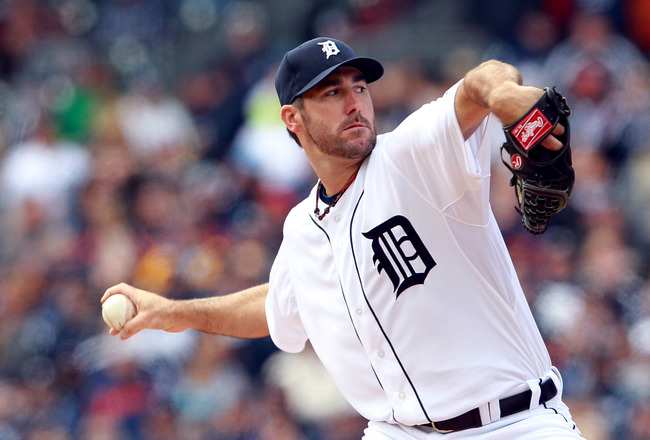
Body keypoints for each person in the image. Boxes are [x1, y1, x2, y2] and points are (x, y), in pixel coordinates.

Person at [102, 37, 584, 439]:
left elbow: (484, 79)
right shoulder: (302, 228)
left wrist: (502, 96)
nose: (355, 102)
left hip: (514, 423)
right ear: (294, 119)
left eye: (359, 87)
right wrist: (172, 313)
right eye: (332, 93)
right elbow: (279, 308)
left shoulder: (410, 157)